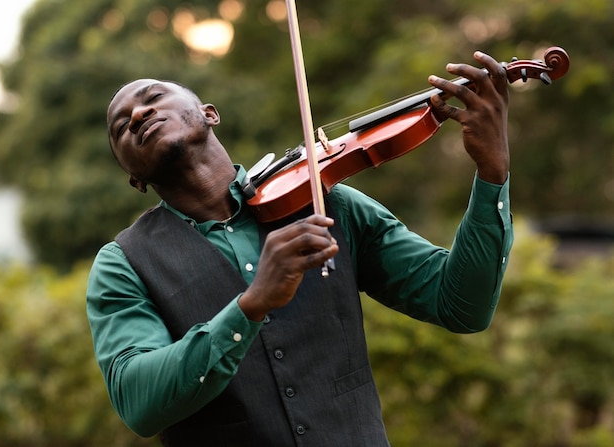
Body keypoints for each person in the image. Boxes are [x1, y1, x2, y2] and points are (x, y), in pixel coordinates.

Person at [87, 50, 513, 446]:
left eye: (154, 97)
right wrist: (249, 306)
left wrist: (492, 173)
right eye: (121, 126)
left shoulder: (328, 202)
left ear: (209, 113)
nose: (139, 113)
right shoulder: (123, 264)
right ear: (134, 178)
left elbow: (461, 305)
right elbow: (138, 402)